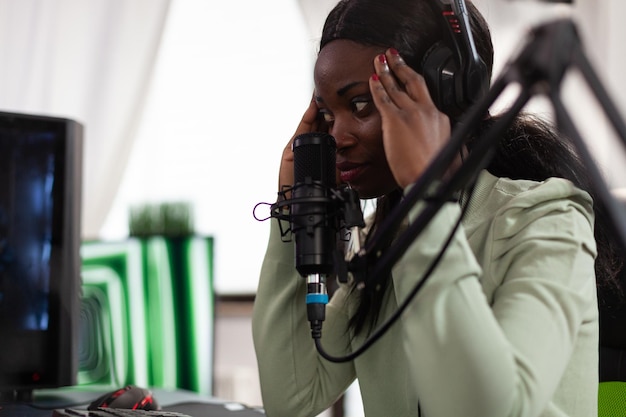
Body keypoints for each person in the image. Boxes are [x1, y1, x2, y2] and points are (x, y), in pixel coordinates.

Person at [252, 0, 624, 416]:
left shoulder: (547, 221)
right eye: (325, 113)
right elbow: (291, 399)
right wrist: (296, 209)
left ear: (441, 95)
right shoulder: (382, 242)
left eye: (359, 104)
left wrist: (426, 194)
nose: (336, 136)